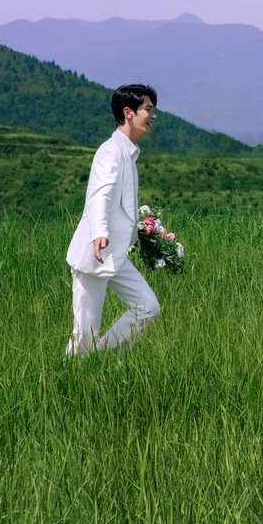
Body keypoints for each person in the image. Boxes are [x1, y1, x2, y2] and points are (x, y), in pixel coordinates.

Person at [64, 84, 162, 356]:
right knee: (84, 337)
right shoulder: (110, 151)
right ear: (129, 113)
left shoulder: (127, 151)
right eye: (148, 109)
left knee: (148, 307)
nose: (153, 116)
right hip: (95, 255)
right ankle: (76, 370)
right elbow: (100, 195)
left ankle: (101, 358)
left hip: (115, 255)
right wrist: (99, 232)